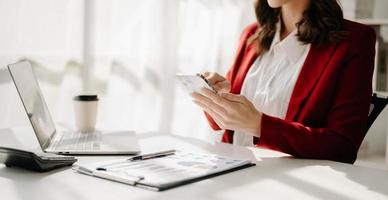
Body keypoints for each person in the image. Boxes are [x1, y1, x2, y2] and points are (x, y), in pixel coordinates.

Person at [191, 0, 376, 164]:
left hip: (294, 184)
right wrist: (217, 97)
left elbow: (343, 148)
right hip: (231, 170)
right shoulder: (251, 34)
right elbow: (226, 125)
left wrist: (259, 125)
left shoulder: (354, 40)